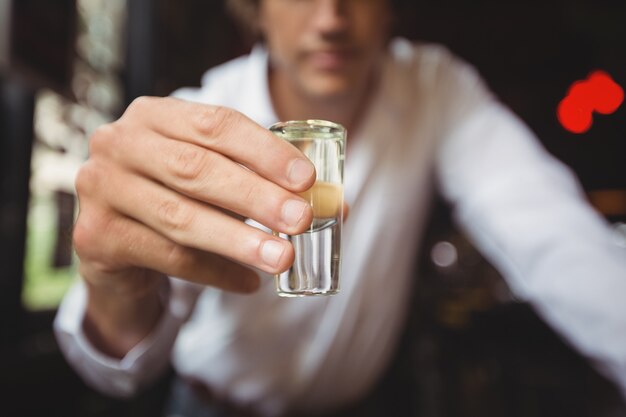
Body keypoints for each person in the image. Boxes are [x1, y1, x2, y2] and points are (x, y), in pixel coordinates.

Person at [54, 0, 626, 416]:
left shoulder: (435, 88)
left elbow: (554, 236)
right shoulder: (198, 117)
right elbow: (115, 367)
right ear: (257, 9)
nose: (330, 18)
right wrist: (114, 286)